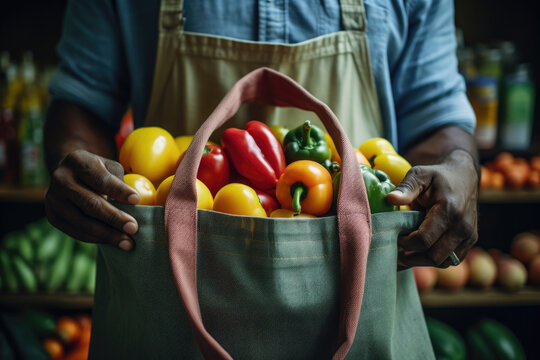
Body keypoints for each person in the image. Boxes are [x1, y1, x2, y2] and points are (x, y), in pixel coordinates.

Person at [44, 0, 479, 269]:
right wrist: (77, 162)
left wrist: (457, 167)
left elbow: (436, 116)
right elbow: (79, 102)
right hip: (167, 281)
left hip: (359, 277)